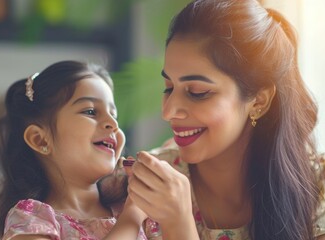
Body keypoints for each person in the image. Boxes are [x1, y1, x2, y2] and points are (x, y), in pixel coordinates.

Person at [123, 0, 325, 239]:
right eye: (168, 88)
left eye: (197, 92)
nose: (168, 112)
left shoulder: (316, 185)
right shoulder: (149, 187)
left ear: (259, 102)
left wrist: (179, 225)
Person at [0, 60, 160, 240]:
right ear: (39, 139)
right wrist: (132, 217)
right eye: (91, 111)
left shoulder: (138, 210)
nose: (113, 124)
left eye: (114, 115)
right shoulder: (30, 222)